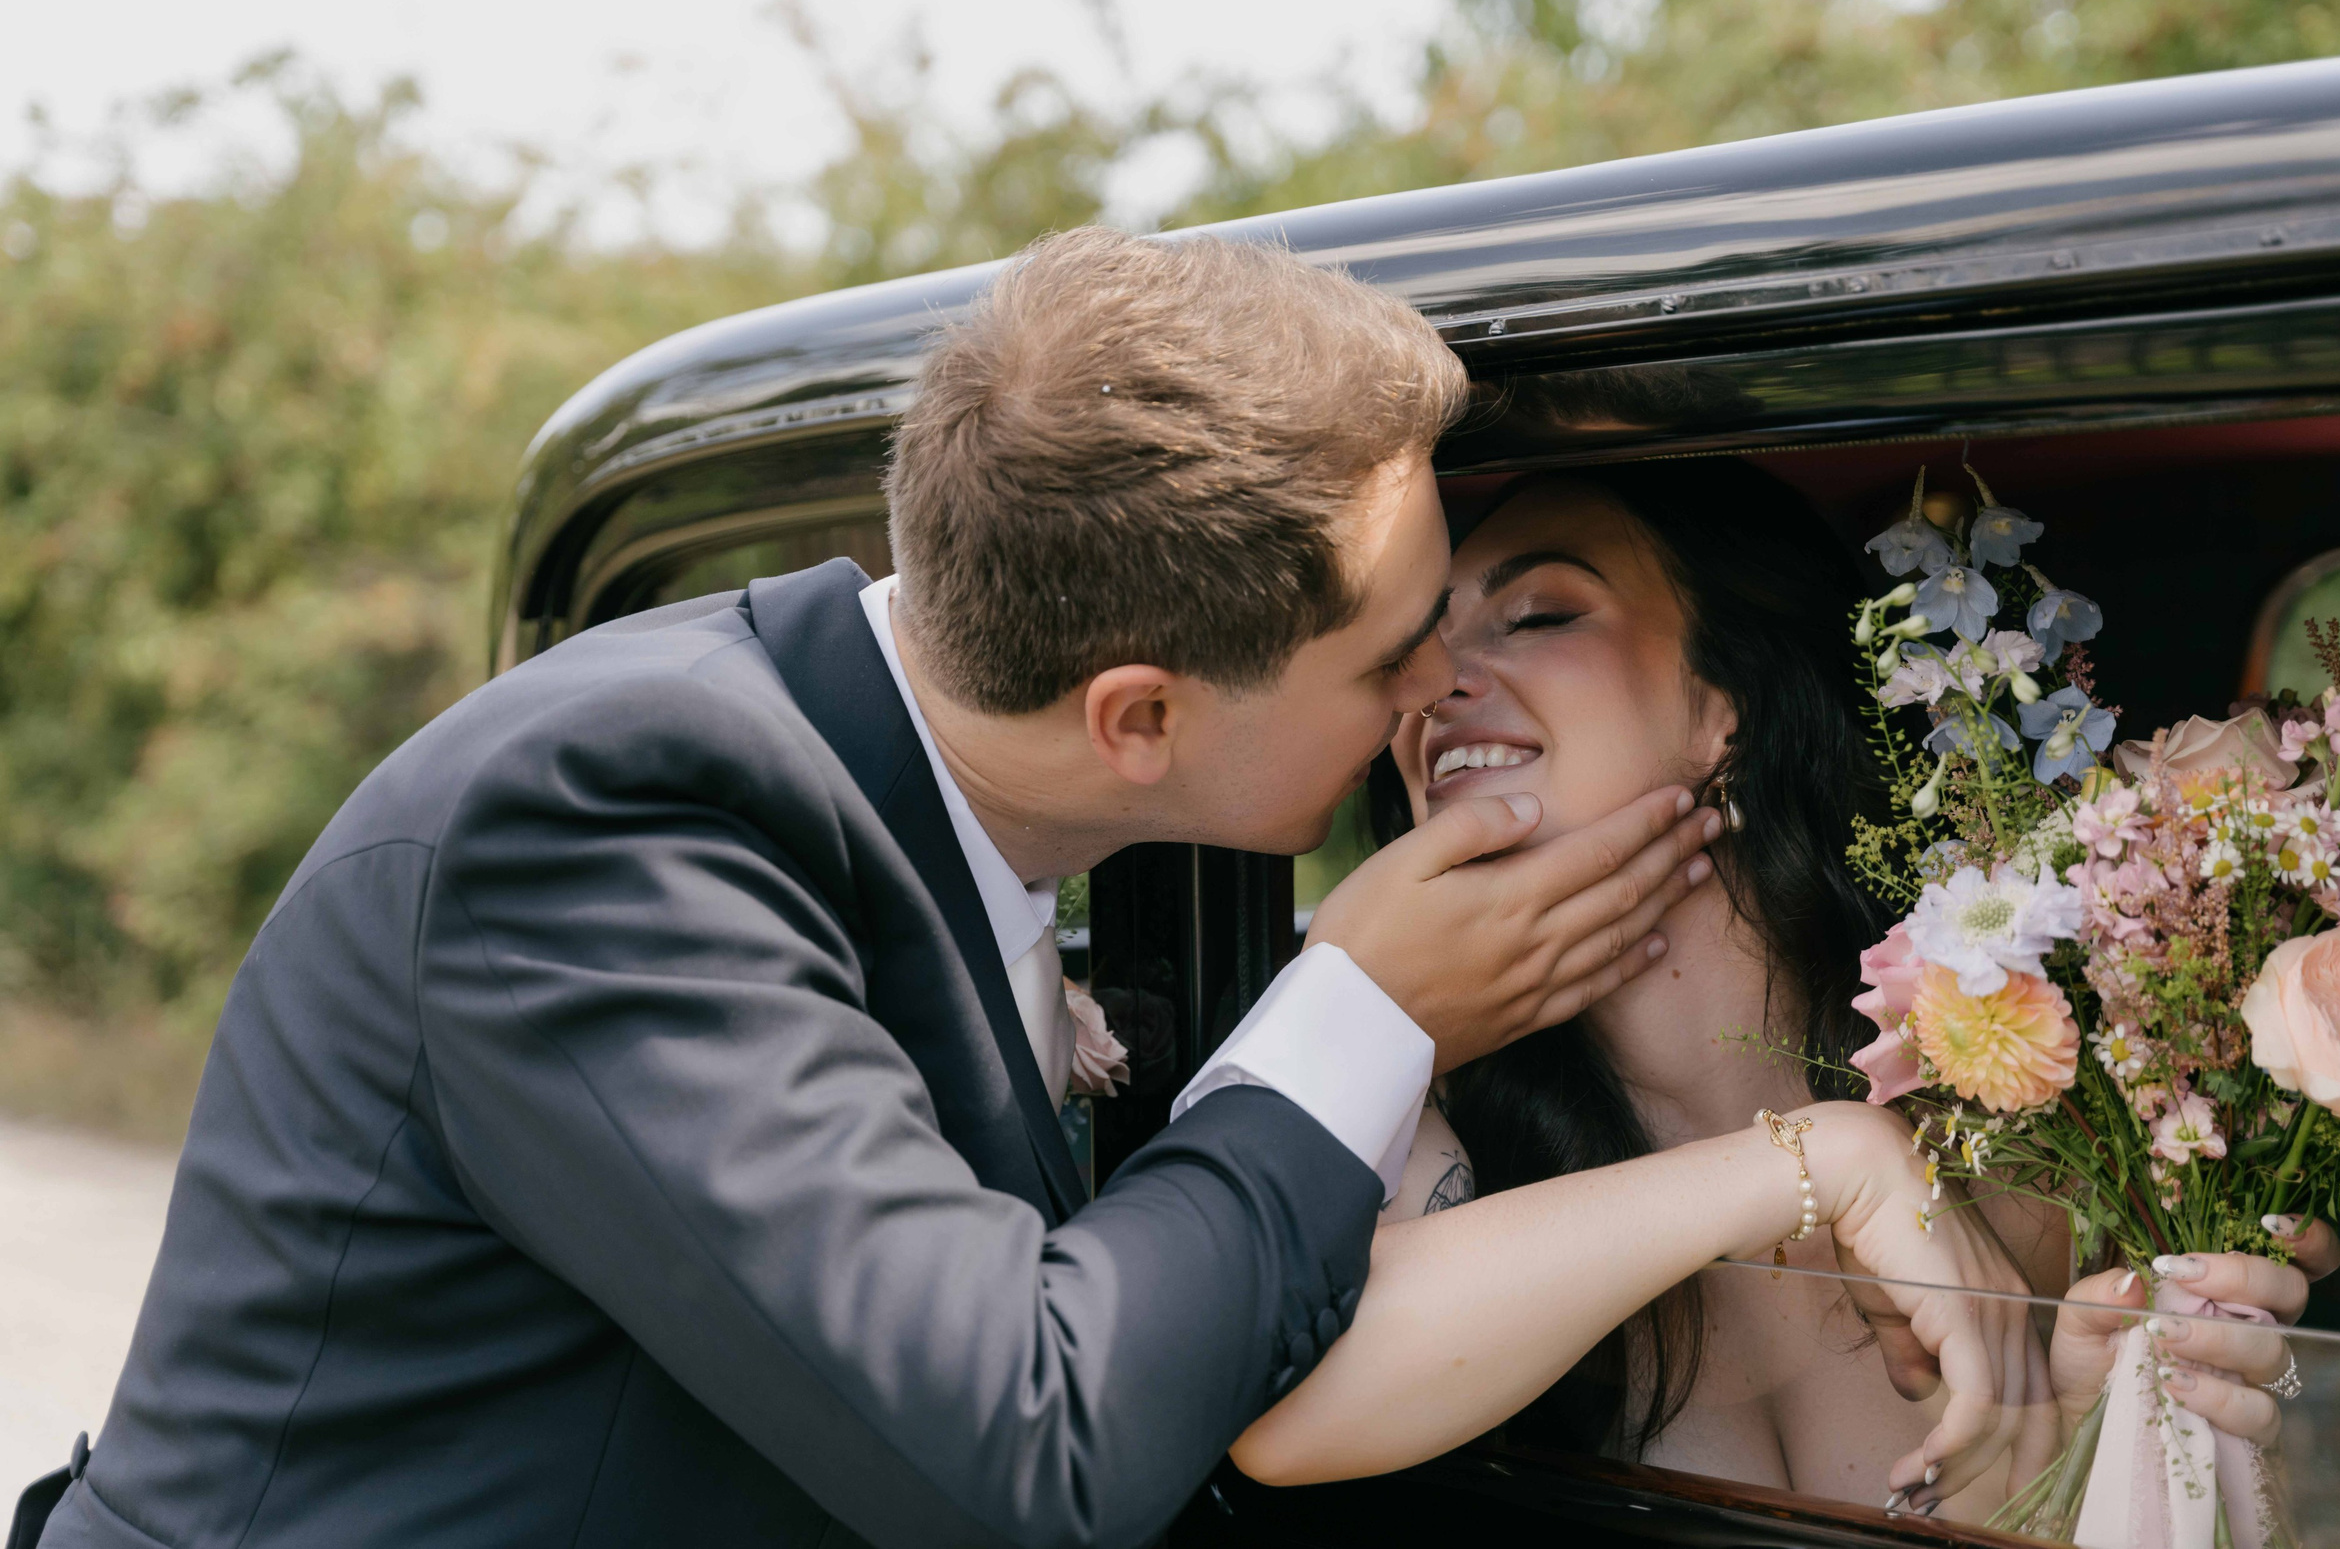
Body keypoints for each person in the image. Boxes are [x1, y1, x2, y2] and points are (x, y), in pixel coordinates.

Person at [20, 230, 1728, 1549]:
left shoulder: (915, 793)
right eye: (1389, 653)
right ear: (1139, 719)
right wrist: (1361, 1008)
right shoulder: (609, 826)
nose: (1438, 683)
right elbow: (1029, 1445)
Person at [1228, 459, 2338, 1522]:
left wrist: (2090, 1434)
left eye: (1539, 615)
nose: (1431, 684)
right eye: (1419, 644)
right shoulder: (1418, 1104)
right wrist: (1817, 1163)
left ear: (1732, 704)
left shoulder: (2034, 1126)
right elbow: (1277, 1411)